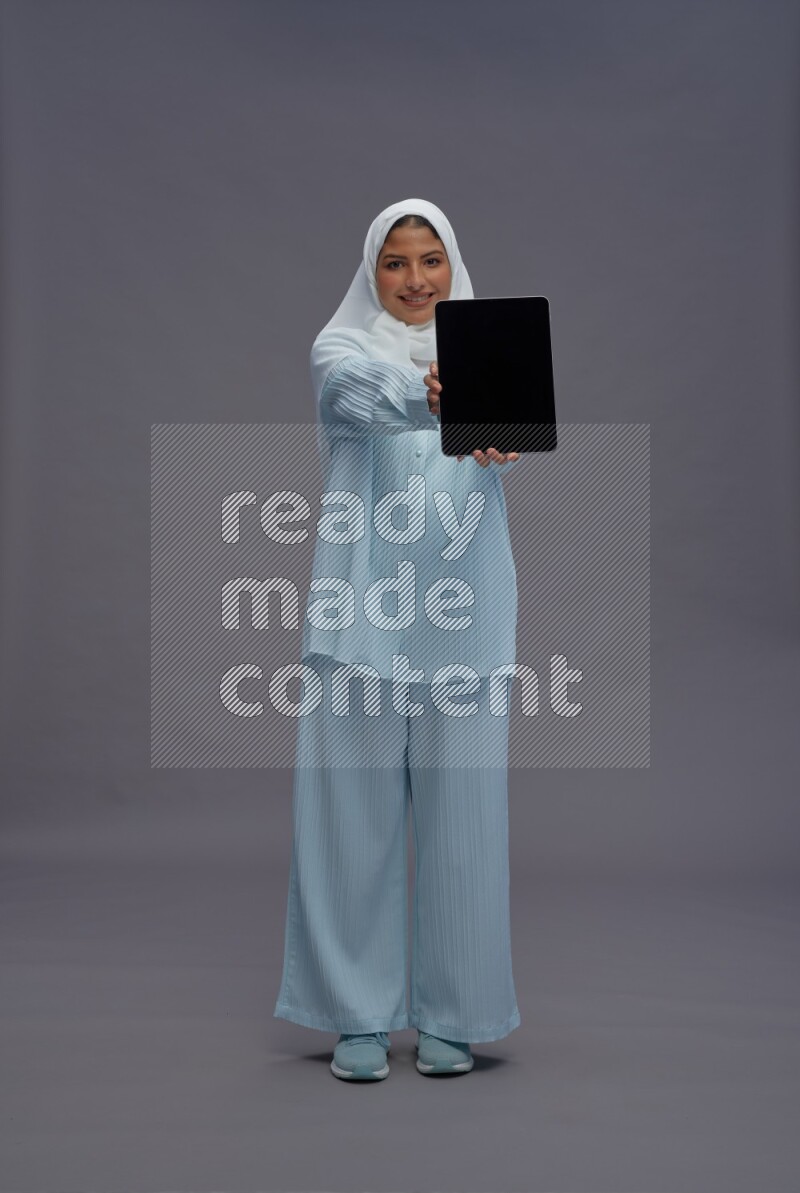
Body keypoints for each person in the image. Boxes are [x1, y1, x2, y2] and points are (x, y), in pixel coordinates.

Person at [273, 198, 522, 1080]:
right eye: (394, 262)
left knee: (466, 821)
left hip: (466, 610)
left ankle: (456, 1013)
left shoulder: (497, 360)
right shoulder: (339, 350)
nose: (415, 280)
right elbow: (357, 399)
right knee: (350, 817)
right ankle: (358, 1015)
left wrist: (502, 431)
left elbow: (503, 439)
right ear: (370, 272)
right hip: (360, 618)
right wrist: (429, 394)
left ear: (454, 267)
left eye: (431, 261)